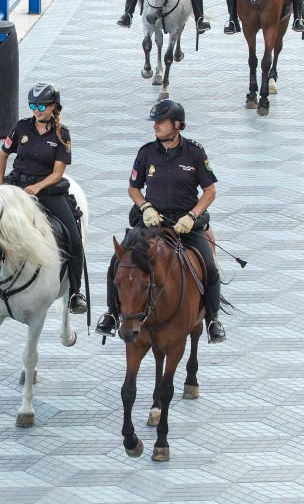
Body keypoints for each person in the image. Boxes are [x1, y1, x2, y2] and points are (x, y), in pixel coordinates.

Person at [0, 84, 86, 314]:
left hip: (46, 191)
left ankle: (75, 293)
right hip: (15, 186)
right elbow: (2, 155)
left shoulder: (62, 135)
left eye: (41, 106)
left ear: (53, 107)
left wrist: (37, 187)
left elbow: (58, 172)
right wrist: (0, 185)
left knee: (74, 238)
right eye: (33, 105)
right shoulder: (21, 127)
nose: (37, 111)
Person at [95, 100, 226, 343]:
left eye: (161, 122)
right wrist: (144, 207)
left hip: (184, 223)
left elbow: (210, 191)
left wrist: (192, 216)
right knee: (118, 261)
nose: (155, 126)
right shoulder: (146, 152)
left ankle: (213, 320)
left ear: (177, 125)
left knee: (210, 266)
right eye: (155, 122)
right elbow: (133, 188)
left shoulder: (195, 153)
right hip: (152, 221)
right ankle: (112, 314)